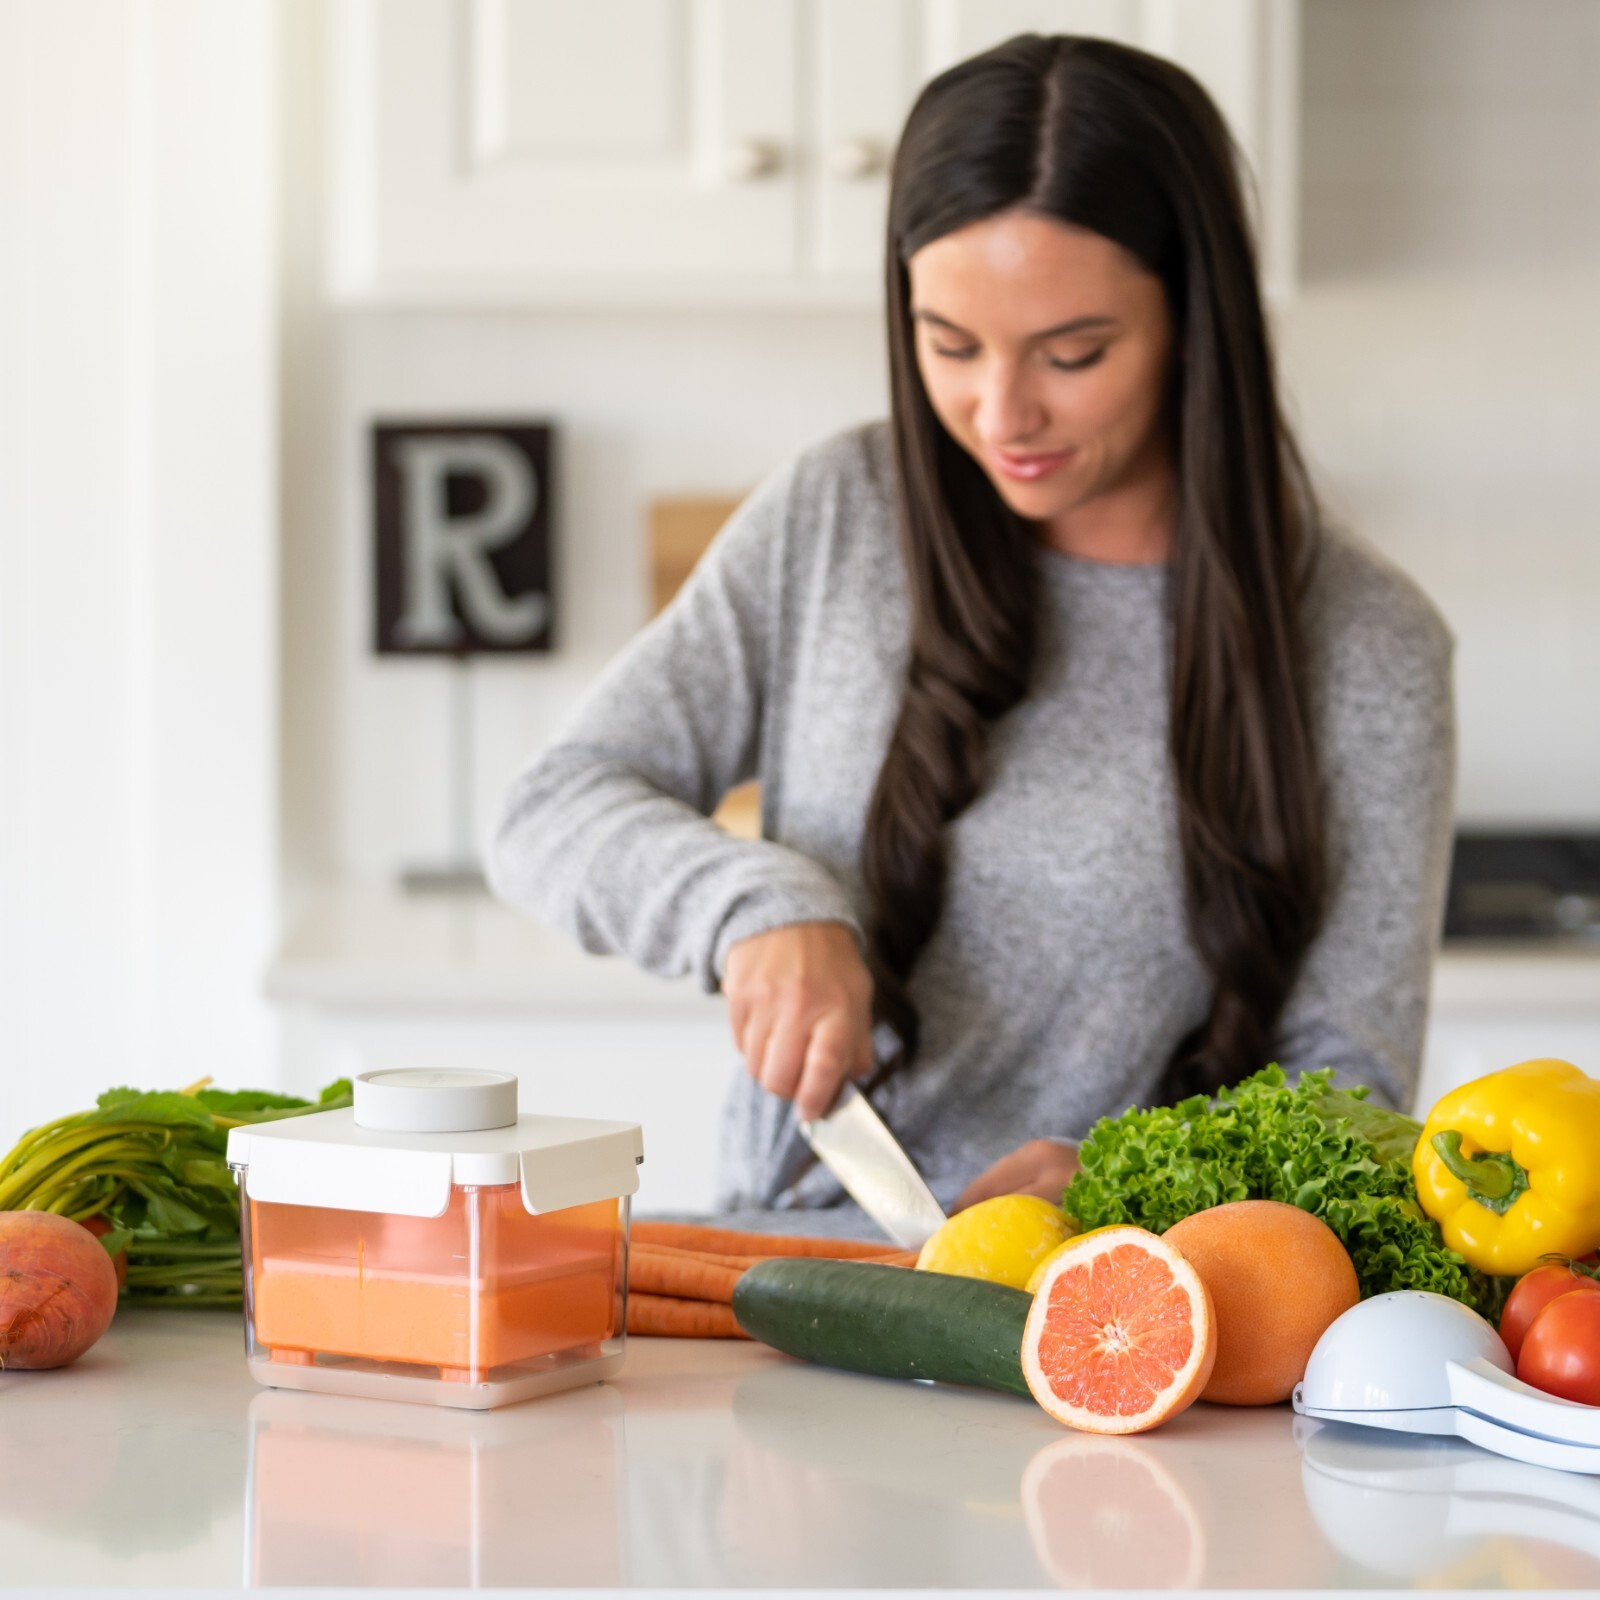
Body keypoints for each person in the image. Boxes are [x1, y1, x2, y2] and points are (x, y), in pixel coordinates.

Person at [488, 36, 1455, 1221]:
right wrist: (755, 908)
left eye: (1073, 353)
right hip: (796, 1284)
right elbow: (552, 805)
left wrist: (1136, 1189)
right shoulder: (837, 516)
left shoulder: (1370, 644)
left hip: (1132, 1318)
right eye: (948, 344)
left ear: (1195, 321)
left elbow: (1355, 1097)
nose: (1001, 413)